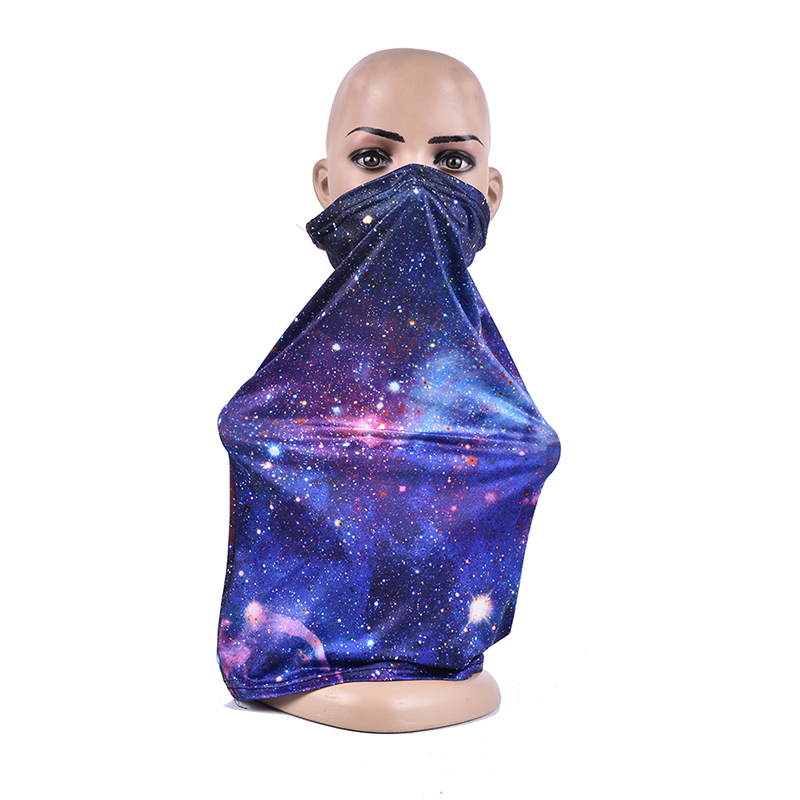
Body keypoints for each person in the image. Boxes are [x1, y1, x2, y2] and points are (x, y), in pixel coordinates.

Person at [217, 48, 560, 732]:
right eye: (374, 159)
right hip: (291, 652)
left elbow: (527, 446)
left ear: (490, 195)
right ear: (327, 184)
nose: (414, 190)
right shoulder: (290, 394)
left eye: (451, 162)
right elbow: (251, 426)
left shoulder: (496, 411)